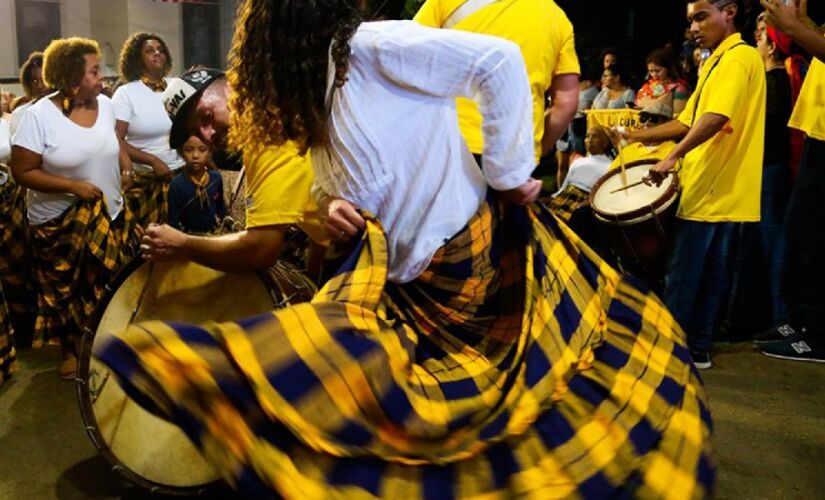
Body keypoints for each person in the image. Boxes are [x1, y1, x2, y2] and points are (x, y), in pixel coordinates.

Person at [96, 2, 713, 498]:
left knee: (515, 401)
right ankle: (207, 378)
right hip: (405, 277)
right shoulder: (316, 94)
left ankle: (203, 373)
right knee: (422, 415)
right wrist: (332, 203)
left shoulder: (375, 46)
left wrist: (505, 170)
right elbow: (341, 174)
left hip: (470, 255)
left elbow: (497, 64)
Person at [616, 0, 766, 369]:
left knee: (683, 273)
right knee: (711, 273)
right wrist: (640, 135)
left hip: (711, 183)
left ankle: (669, 350)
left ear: (728, 12)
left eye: (702, 17)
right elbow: (688, 119)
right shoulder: (716, 60)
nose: (694, 27)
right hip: (724, 186)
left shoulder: (736, 58)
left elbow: (715, 118)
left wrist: (671, 156)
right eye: (690, 21)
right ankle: (696, 348)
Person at [10, 37, 139, 379]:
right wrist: (71, 187)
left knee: (107, 284)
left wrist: (126, 169)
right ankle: (71, 349)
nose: (102, 77)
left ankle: (106, 344)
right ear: (71, 78)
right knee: (69, 290)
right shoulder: (39, 117)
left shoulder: (106, 105)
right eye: (94, 71)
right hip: (60, 221)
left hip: (109, 212)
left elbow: (114, 143)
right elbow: (22, 172)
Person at [139, 68, 329, 276]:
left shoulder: (267, 140)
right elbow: (319, 226)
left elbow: (262, 249)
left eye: (207, 116)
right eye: (195, 132)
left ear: (232, 89)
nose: (207, 135)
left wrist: (184, 245)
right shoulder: (271, 121)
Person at [414, 0, 580, 162]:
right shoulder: (557, 19)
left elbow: (405, 56)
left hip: (444, 142)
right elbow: (566, 104)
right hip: (513, 155)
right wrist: (534, 149)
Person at [756, 0, 825, 362]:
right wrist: (799, 21)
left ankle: (819, 334)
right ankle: (800, 320)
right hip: (818, 133)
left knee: (817, 239)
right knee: (801, 234)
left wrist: (795, 28)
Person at [726, 12, 795, 339]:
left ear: (771, 47)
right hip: (763, 172)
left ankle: (780, 319)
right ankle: (751, 317)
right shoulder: (769, 80)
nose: (755, 41)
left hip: (769, 173)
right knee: (755, 245)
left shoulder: (776, 81)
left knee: (770, 245)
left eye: (759, 36)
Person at [113, 33, 184, 229]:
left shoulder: (177, 85)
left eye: (161, 50)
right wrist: (153, 161)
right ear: (137, 58)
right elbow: (116, 138)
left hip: (181, 171)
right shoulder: (126, 93)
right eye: (150, 50)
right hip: (146, 179)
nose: (157, 54)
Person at [547, 125, 613, 221]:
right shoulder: (578, 162)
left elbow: (603, 196)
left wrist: (586, 203)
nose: (589, 140)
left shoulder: (610, 166)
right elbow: (562, 189)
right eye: (587, 136)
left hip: (585, 203)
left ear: (605, 143)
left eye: (594, 136)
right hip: (565, 197)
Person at [168, 135, 225, 234]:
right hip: (187, 239)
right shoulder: (177, 185)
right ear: (181, 152)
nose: (195, 155)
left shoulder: (216, 179)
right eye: (189, 150)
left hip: (214, 234)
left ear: (210, 151)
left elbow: (220, 208)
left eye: (202, 150)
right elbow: (173, 221)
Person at [635, 47, 691, 116]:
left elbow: (678, 118)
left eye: (657, 71)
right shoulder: (649, 86)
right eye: (651, 71)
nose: (654, 74)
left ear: (668, 68)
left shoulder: (679, 89)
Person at [9, 52, 49, 137]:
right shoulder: (19, 114)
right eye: (34, 81)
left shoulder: (67, 111)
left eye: (44, 80)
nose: (39, 85)